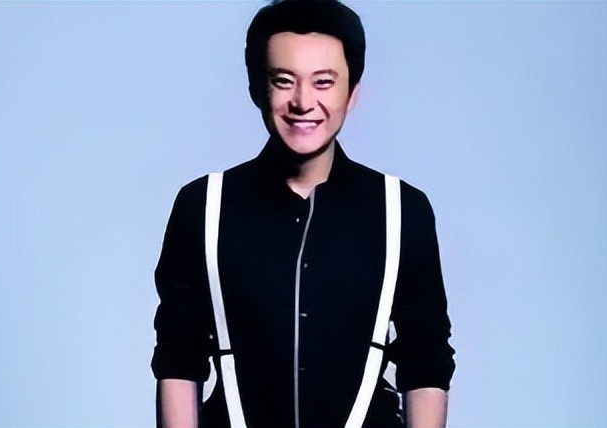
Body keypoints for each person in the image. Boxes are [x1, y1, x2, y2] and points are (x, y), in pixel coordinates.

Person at [151, 1, 455, 427]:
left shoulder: (403, 210)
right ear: (257, 88)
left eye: (323, 82)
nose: (303, 101)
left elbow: (426, 363)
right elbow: (178, 359)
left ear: (353, 92)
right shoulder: (202, 206)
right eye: (283, 81)